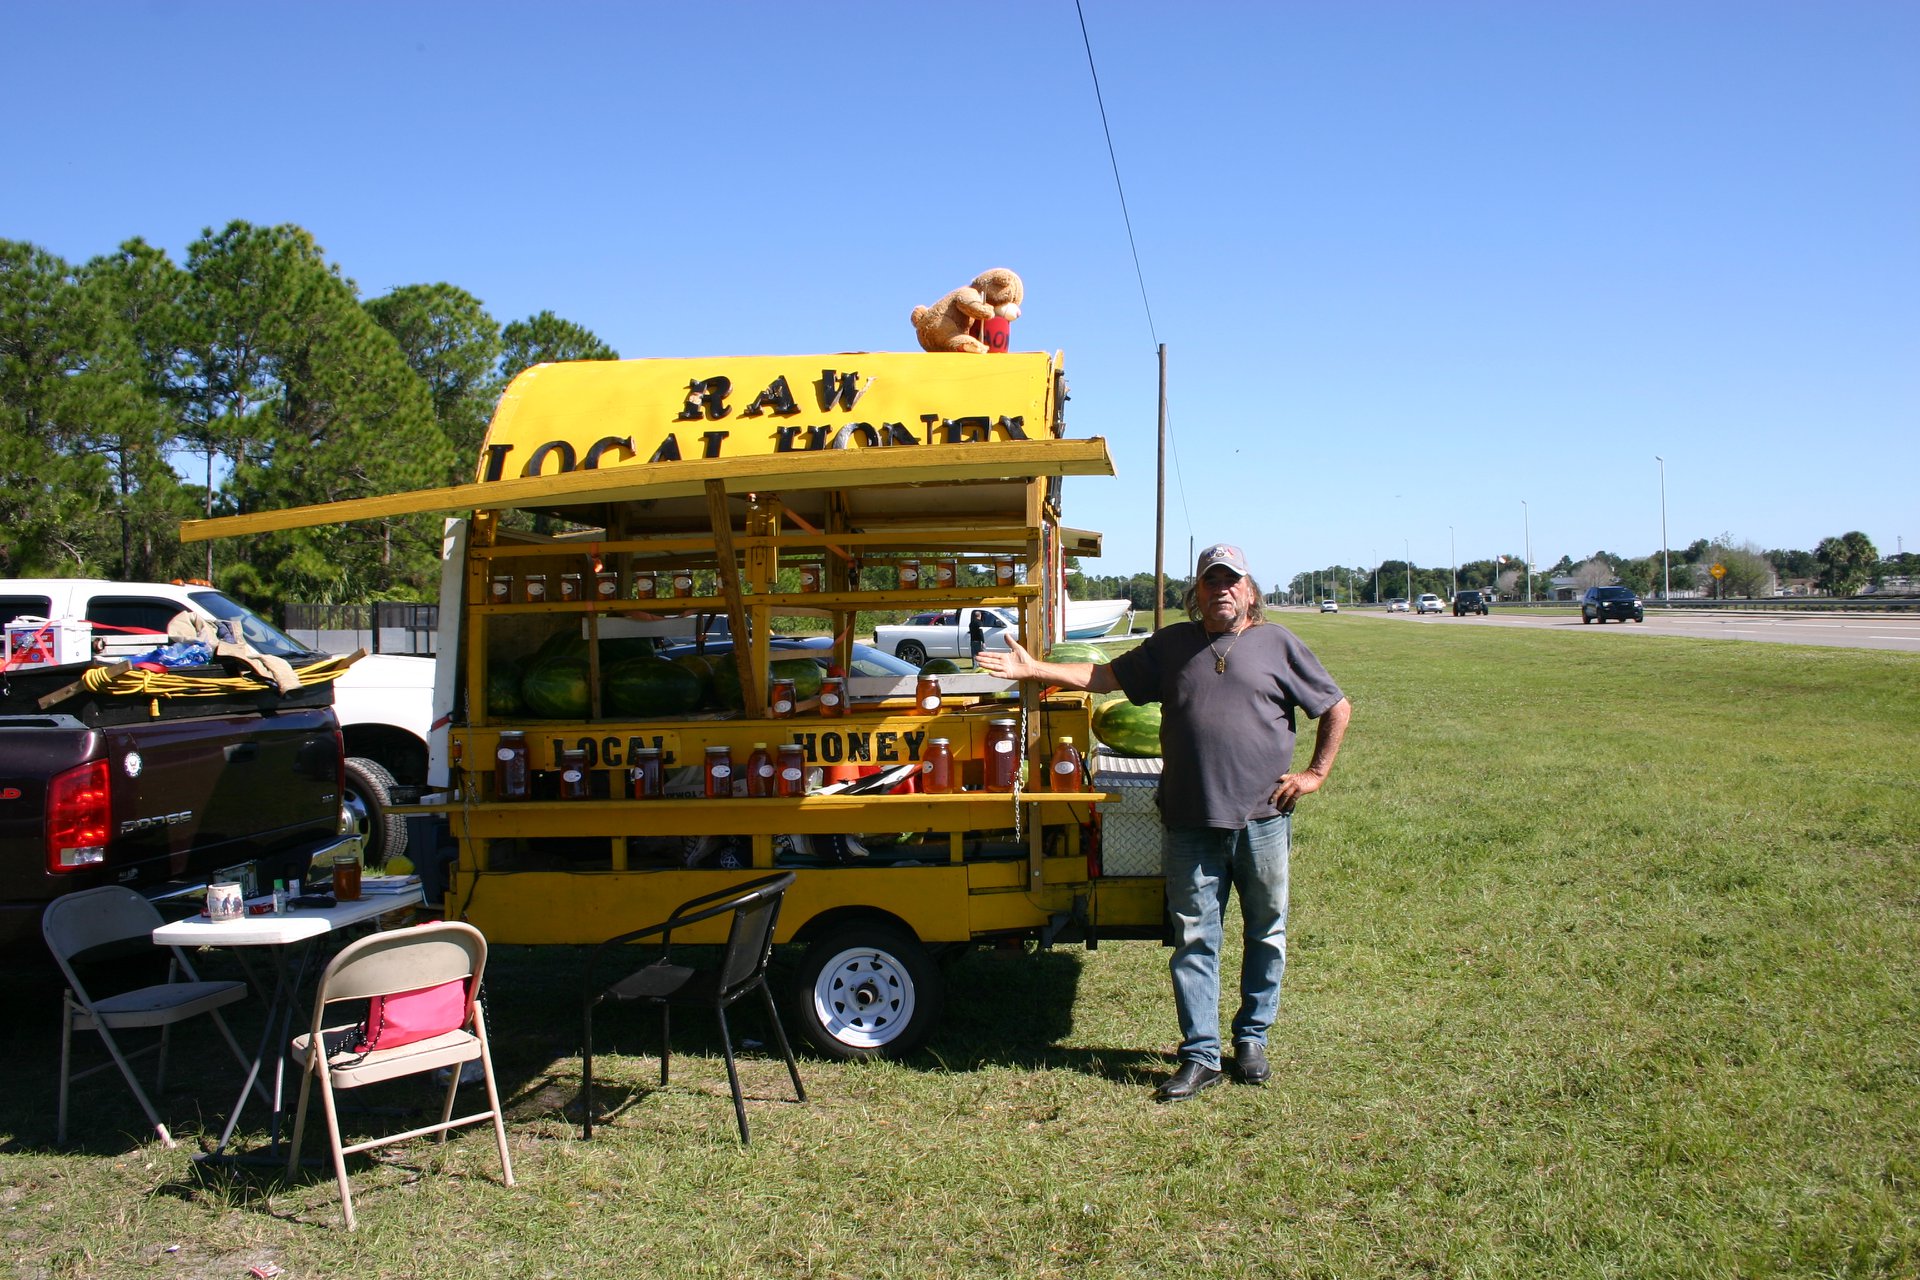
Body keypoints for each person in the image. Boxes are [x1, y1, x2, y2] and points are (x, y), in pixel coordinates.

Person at [978, 543, 1350, 1101]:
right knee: (1195, 938)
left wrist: (1315, 774)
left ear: (1249, 590)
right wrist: (1034, 668)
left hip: (1263, 818)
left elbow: (1335, 706)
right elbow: (1104, 676)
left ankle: (1252, 1040)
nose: (1221, 589)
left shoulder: (1278, 643)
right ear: (1196, 592)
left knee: (1265, 932)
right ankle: (1200, 1054)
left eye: (1231, 580)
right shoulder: (1172, 644)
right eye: (1210, 581)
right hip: (1189, 819)